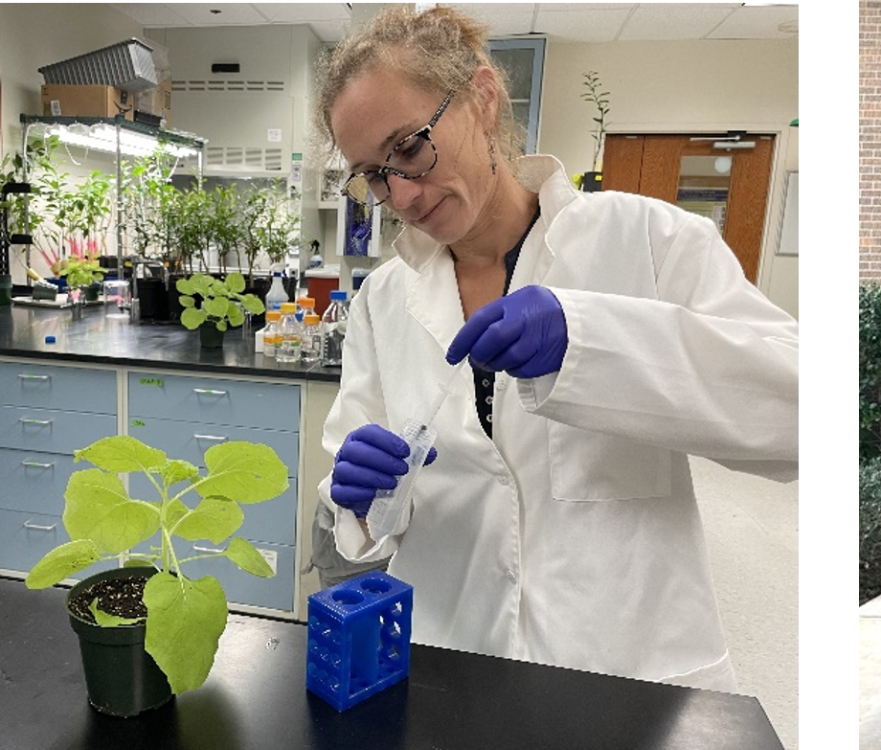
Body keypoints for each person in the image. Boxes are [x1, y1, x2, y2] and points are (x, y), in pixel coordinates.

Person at [312, 6, 799, 693]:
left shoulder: (646, 241)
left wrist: (597, 344)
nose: (403, 192)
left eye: (411, 147)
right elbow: (365, 508)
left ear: (482, 99)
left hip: (628, 666)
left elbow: (790, 410)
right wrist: (356, 495)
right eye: (373, 175)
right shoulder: (384, 298)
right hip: (453, 658)